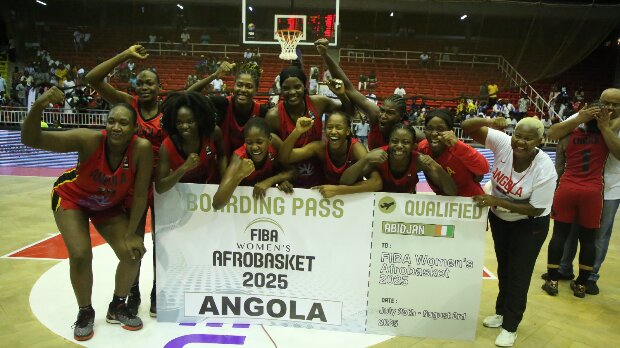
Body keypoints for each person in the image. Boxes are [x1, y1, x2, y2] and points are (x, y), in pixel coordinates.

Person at [21, 87, 153, 341]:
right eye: (111, 121)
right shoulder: (90, 140)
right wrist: (39, 105)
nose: (116, 127)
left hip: (107, 204)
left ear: (134, 129)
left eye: (123, 123)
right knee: (81, 253)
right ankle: (85, 311)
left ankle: (117, 306)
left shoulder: (142, 149)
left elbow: (139, 195)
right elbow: (31, 139)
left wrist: (131, 233)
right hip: (73, 198)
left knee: (133, 252)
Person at [461, 116, 557, 347]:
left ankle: (510, 327)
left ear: (540, 140)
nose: (521, 142)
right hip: (501, 219)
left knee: (519, 275)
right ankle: (502, 312)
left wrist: (497, 200)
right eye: (518, 135)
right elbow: (467, 128)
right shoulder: (504, 142)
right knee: (504, 268)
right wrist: (490, 120)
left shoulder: (545, 168)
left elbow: (536, 209)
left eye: (528, 138)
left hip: (530, 225)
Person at [86, 44, 164, 317]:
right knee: (134, 240)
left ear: (159, 87)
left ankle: (159, 289)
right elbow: (92, 79)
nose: (144, 87)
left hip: (163, 186)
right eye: (140, 82)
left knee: (162, 243)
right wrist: (124, 56)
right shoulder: (127, 105)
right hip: (133, 187)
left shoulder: (169, 109)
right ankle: (132, 291)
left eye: (150, 83)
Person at [544, 88, 620, 295]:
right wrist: (598, 124)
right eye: (606, 103)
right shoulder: (597, 127)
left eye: (616, 105)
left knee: (571, 235)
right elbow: (554, 132)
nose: (610, 108)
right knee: (584, 237)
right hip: (593, 190)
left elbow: (557, 140)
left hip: (581, 187)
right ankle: (575, 278)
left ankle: (563, 279)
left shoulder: (579, 132)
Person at [315, 38, 423, 150]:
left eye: (390, 113)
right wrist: (325, 55)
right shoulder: (376, 116)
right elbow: (348, 88)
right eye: (382, 110)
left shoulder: (413, 133)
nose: (383, 116)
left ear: (400, 117)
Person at [264, 63, 352, 188]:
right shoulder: (273, 116)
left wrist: (342, 95)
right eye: (286, 88)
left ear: (304, 87)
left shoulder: (319, 102)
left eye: (297, 87)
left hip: (320, 173)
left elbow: (348, 113)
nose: (292, 92)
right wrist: (281, 177)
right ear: (281, 89)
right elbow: (272, 152)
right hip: (290, 177)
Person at [279, 114, 381, 198]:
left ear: (347, 131)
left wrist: (338, 190)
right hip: (326, 198)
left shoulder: (356, 149)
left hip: (351, 198)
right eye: (329, 127)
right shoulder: (320, 147)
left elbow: (377, 182)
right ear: (324, 130)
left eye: (339, 128)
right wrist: (297, 132)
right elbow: (285, 158)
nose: (333, 132)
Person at [341, 123, 456, 195]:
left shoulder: (420, 161)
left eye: (405, 142)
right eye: (395, 141)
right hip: (378, 204)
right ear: (389, 143)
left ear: (413, 146)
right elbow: (345, 182)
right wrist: (365, 159)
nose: (399, 146)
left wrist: (437, 167)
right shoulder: (377, 156)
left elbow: (451, 192)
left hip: (405, 205)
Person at [212, 117, 295, 209]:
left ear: (269, 140)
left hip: (270, 205)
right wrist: (239, 174)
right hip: (245, 206)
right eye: (249, 142)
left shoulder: (275, 142)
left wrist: (271, 181)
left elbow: (293, 171)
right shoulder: (238, 157)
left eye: (259, 142)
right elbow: (217, 204)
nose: (254, 147)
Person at [189, 61, 268, 156]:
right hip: (220, 162)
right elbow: (188, 96)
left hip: (247, 165)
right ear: (233, 86)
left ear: (256, 90)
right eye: (239, 85)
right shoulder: (223, 103)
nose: (243, 90)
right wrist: (214, 75)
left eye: (249, 86)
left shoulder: (262, 112)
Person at [155, 92, 227, 193]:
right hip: (183, 194)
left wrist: (224, 183)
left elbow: (222, 155)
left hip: (211, 189)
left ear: (199, 120)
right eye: (179, 122)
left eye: (190, 122)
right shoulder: (167, 146)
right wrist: (184, 167)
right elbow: (160, 188)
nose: (185, 126)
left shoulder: (213, 132)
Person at [418, 109, 489, 196]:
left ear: (451, 131)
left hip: (471, 202)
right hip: (445, 203)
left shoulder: (459, 149)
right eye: (429, 128)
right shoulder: (422, 148)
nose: (434, 133)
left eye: (440, 129)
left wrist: (457, 145)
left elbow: (484, 169)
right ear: (424, 130)